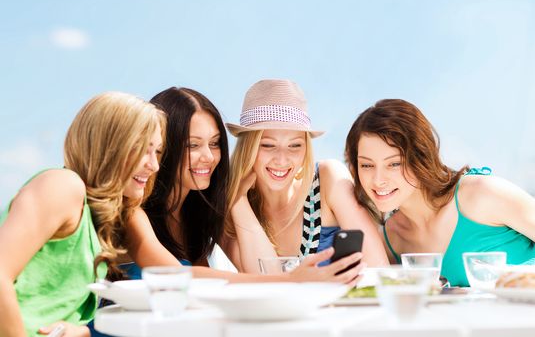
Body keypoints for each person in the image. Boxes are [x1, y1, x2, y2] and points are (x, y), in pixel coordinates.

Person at [125, 86, 364, 284]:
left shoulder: (201, 212)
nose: (208, 156)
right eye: (193, 145)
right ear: (163, 145)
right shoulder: (133, 210)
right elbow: (174, 277)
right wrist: (291, 280)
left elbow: (259, 274)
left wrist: (238, 201)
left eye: (215, 143)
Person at [0, 92, 165, 336]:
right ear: (108, 146)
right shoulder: (63, 186)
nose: (154, 165)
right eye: (142, 149)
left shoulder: (96, 216)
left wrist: (79, 331)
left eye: (157, 151)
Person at [344, 98, 535, 287]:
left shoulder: (481, 194)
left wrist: (515, 280)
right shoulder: (391, 240)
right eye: (367, 165)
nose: (378, 180)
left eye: (394, 164)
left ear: (421, 156)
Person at [224, 79, 389, 274]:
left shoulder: (328, 179)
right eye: (268, 145)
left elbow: (379, 269)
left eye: (295, 145)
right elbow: (265, 281)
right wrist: (238, 201)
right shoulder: (229, 204)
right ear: (248, 148)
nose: (282, 159)